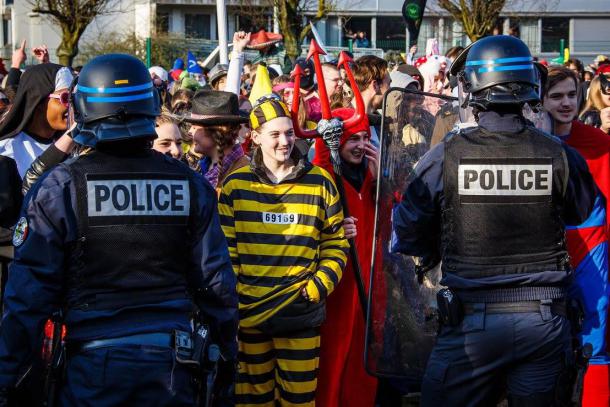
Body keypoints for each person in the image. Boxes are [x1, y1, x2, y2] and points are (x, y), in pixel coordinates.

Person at [0, 54, 238, 405]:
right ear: (150, 106)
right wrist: (226, 371)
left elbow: (27, 299)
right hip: (174, 369)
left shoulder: (60, 188)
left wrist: (9, 380)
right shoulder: (190, 186)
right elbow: (217, 288)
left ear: (82, 111)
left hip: (92, 371)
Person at [392, 35, 596, 406]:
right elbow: (579, 212)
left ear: (471, 87)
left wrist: (432, 250)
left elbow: (407, 230)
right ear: (531, 85)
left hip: (472, 323)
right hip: (544, 322)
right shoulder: (560, 155)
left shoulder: (445, 156)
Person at [219, 96, 349, 406]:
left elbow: (336, 242)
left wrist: (316, 288)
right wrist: (237, 296)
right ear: (256, 136)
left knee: (299, 400)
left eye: (289, 133)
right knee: (252, 400)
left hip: (300, 312)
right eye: (275, 134)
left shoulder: (320, 182)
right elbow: (227, 250)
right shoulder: (235, 186)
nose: (284, 141)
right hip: (250, 315)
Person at [542, 65, 610, 407]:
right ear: (540, 100)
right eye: (556, 96)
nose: (566, 103)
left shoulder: (599, 143)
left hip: (591, 252)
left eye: (571, 95)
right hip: (542, 255)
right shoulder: (529, 144)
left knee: (594, 341)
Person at [313, 107, 379, 407]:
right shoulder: (324, 178)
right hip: (337, 286)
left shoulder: (371, 175)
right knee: (332, 354)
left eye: (365, 138)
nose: (361, 145)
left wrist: (382, 181)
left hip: (369, 284)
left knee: (362, 359)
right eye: (353, 138)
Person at [0, 63, 73, 177]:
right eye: (65, 98)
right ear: (38, 100)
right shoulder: (8, 152)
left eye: (75, 97)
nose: (72, 105)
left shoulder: (77, 145)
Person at [185, 90, 249, 190]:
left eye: (194, 127)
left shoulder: (242, 174)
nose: (189, 132)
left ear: (217, 131)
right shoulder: (204, 165)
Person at [353, 55, 391, 145]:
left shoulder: (377, 121)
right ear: (375, 86)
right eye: (388, 84)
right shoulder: (347, 122)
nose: (391, 90)